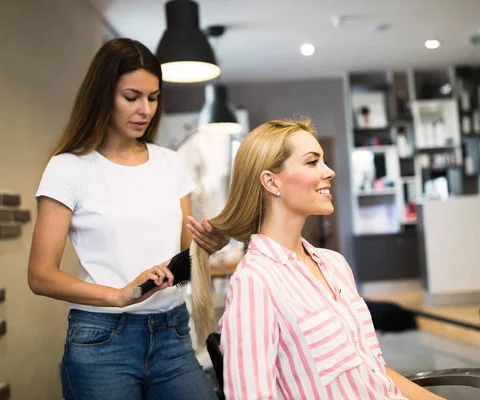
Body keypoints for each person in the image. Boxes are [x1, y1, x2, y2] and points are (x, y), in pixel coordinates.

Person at [27, 38, 226, 400]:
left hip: (172, 333)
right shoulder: (69, 168)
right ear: (103, 96)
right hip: (102, 339)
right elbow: (40, 276)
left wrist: (207, 246)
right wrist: (118, 295)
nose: (145, 109)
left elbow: (185, 253)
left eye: (152, 98)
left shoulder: (171, 163)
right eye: (131, 97)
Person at [192, 119, 446, 399]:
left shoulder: (334, 263)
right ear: (271, 181)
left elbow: (373, 370)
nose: (330, 171)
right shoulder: (255, 281)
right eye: (313, 162)